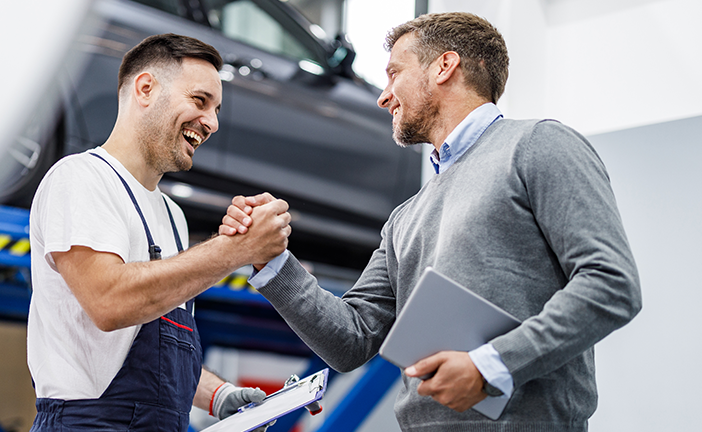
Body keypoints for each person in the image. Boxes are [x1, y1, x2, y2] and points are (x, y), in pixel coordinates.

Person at [220, 12, 642, 431]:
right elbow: (351, 341)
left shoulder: (537, 146)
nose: (384, 97)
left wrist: (489, 367)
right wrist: (272, 262)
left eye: (393, 74)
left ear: (445, 66)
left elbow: (611, 283)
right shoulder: (405, 217)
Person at [27, 34, 291, 432]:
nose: (213, 123)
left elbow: (151, 346)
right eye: (200, 101)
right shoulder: (80, 179)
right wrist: (234, 250)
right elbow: (109, 301)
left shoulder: (172, 215)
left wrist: (219, 396)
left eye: (217, 109)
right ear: (145, 89)